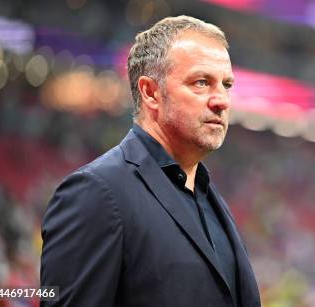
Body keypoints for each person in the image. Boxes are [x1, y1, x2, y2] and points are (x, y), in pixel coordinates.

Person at [40, 16, 261, 307]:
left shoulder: (209, 197)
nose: (222, 100)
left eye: (227, 85)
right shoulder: (96, 193)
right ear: (151, 92)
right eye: (202, 82)